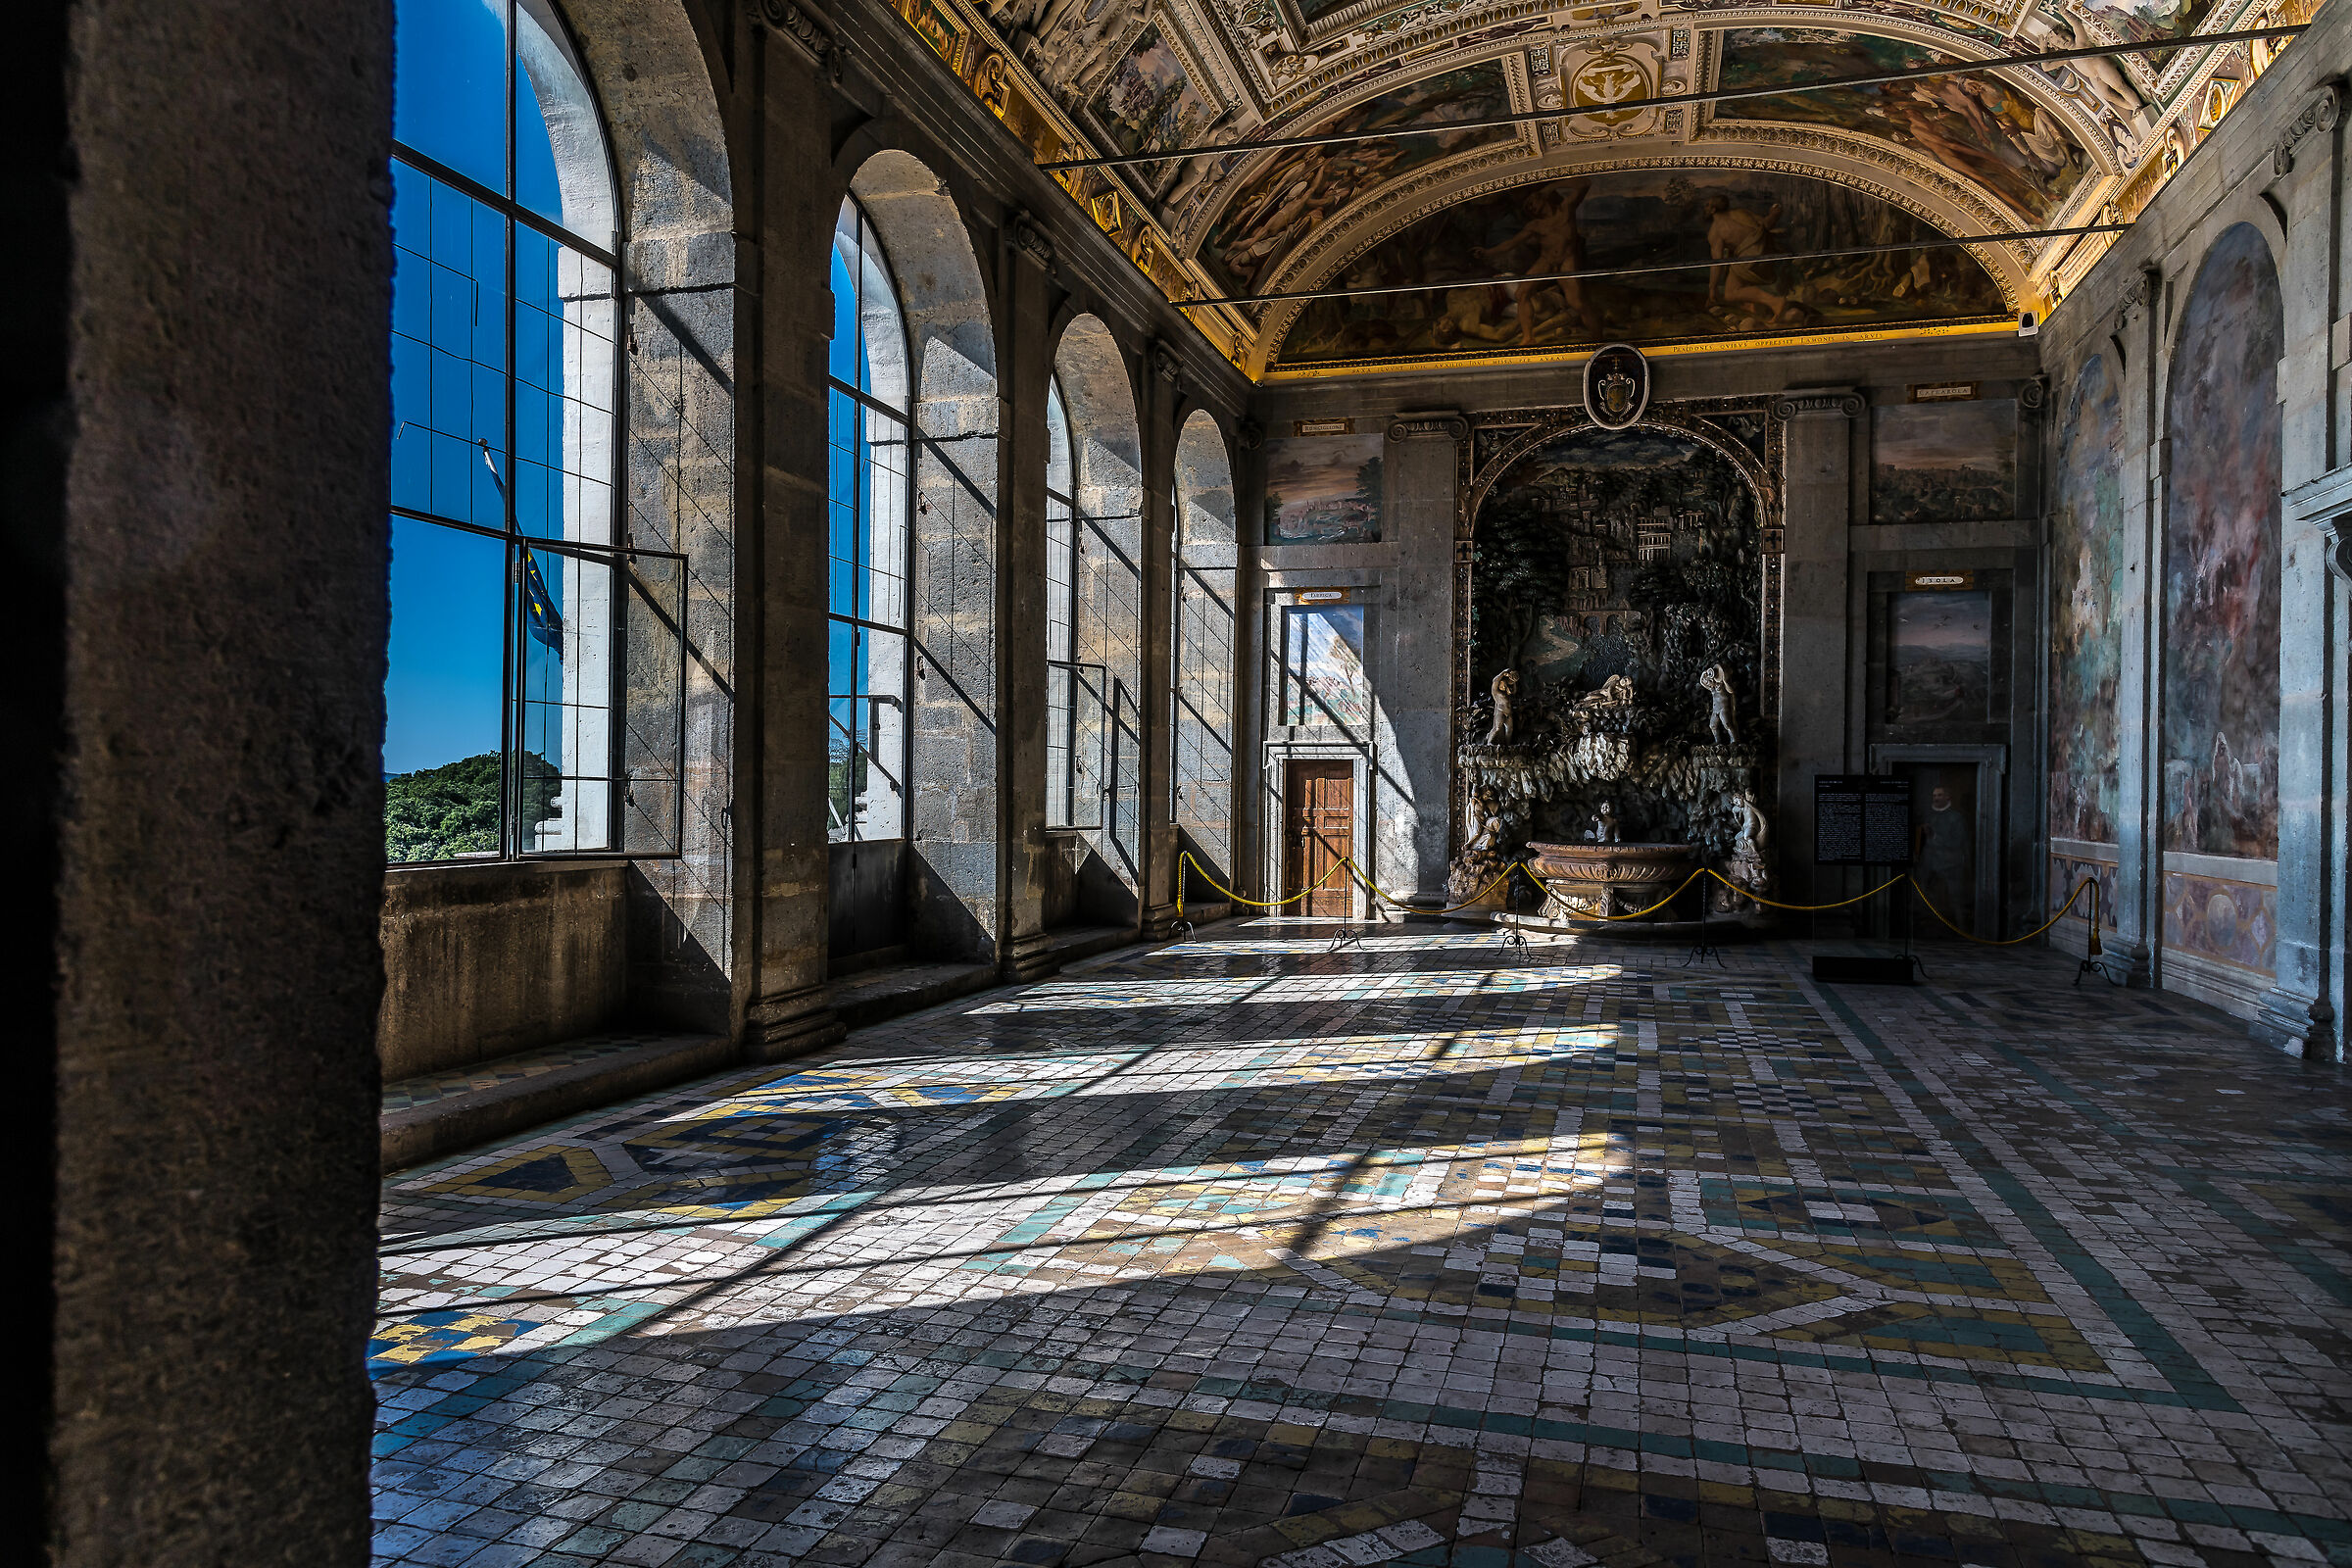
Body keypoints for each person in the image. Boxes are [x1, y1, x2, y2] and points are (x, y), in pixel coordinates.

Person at [1914, 784, 1974, 929]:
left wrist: (1934, 836)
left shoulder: (1956, 818)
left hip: (1950, 864)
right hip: (1928, 863)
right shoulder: (1928, 816)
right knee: (1922, 895)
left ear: (1947, 797)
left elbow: (1958, 842)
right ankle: (1928, 926)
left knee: (1956, 898)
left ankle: (1962, 929)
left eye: (1939, 795)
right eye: (1934, 796)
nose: (1936, 798)